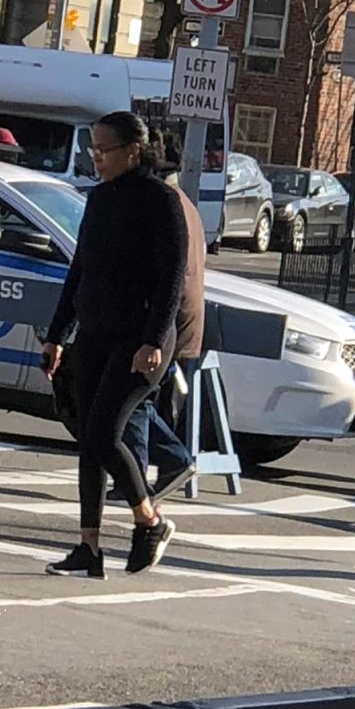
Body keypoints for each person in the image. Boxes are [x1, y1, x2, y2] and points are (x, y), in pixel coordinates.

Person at [42, 111, 190, 579]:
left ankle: (150, 521)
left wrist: (152, 340)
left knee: (105, 430)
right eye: (93, 150)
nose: (96, 159)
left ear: (133, 151)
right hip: (96, 334)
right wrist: (57, 335)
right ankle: (89, 547)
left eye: (103, 150)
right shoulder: (98, 200)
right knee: (89, 439)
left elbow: (172, 280)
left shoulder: (161, 202)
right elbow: (79, 271)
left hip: (140, 340)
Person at [109, 185, 206, 503]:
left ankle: (137, 475)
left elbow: (167, 273)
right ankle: (168, 462)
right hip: (180, 319)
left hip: (164, 322)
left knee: (133, 397)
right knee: (141, 397)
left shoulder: (162, 204)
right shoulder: (185, 204)